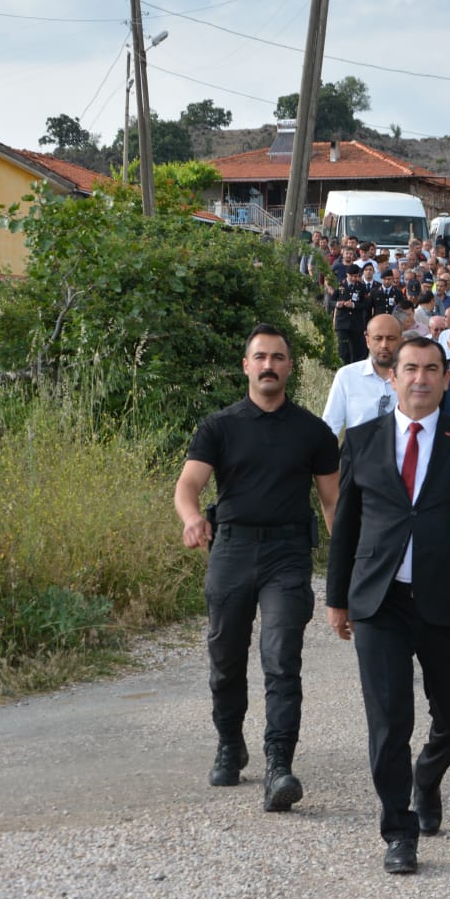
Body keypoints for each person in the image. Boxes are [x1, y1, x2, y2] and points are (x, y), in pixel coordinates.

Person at [325, 337, 450, 875]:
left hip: (447, 601)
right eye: (410, 369)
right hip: (379, 602)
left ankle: (426, 779)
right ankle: (398, 829)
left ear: (446, 379)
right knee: (389, 720)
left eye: (432, 369)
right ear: (394, 377)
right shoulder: (362, 440)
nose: (421, 378)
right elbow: (346, 527)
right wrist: (337, 599)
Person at [174, 324, 340, 812]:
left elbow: (333, 505)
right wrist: (191, 520)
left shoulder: (314, 431)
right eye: (260, 357)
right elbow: (189, 487)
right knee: (225, 659)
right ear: (246, 365)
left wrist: (347, 565)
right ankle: (230, 744)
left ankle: (279, 765)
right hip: (231, 550)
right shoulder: (219, 426)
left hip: (288, 555)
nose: (269, 365)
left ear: (290, 367)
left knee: (281, 658)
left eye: (278, 357)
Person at [323, 315, 400, 438]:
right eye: (378, 338)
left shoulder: (411, 379)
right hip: (357, 454)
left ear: (401, 340)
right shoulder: (347, 376)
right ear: (367, 340)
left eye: (391, 338)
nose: (384, 345)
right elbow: (330, 426)